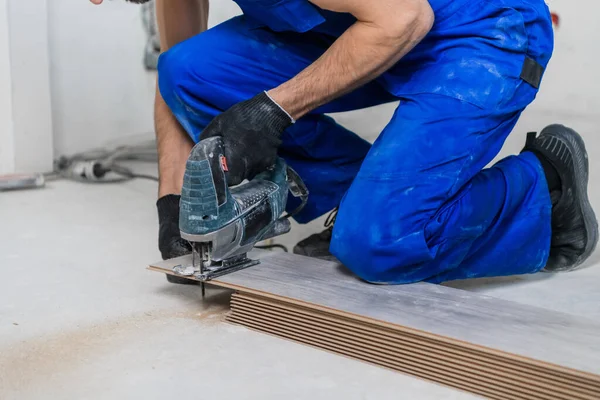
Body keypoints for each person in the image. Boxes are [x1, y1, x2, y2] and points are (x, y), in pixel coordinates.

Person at [91, 0, 597, 284]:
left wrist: (273, 109)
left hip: (477, 31)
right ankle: (363, 202)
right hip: (366, 22)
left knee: (378, 245)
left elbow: (404, 19)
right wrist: (172, 198)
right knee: (188, 70)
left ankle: (545, 196)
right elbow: (177, 76)